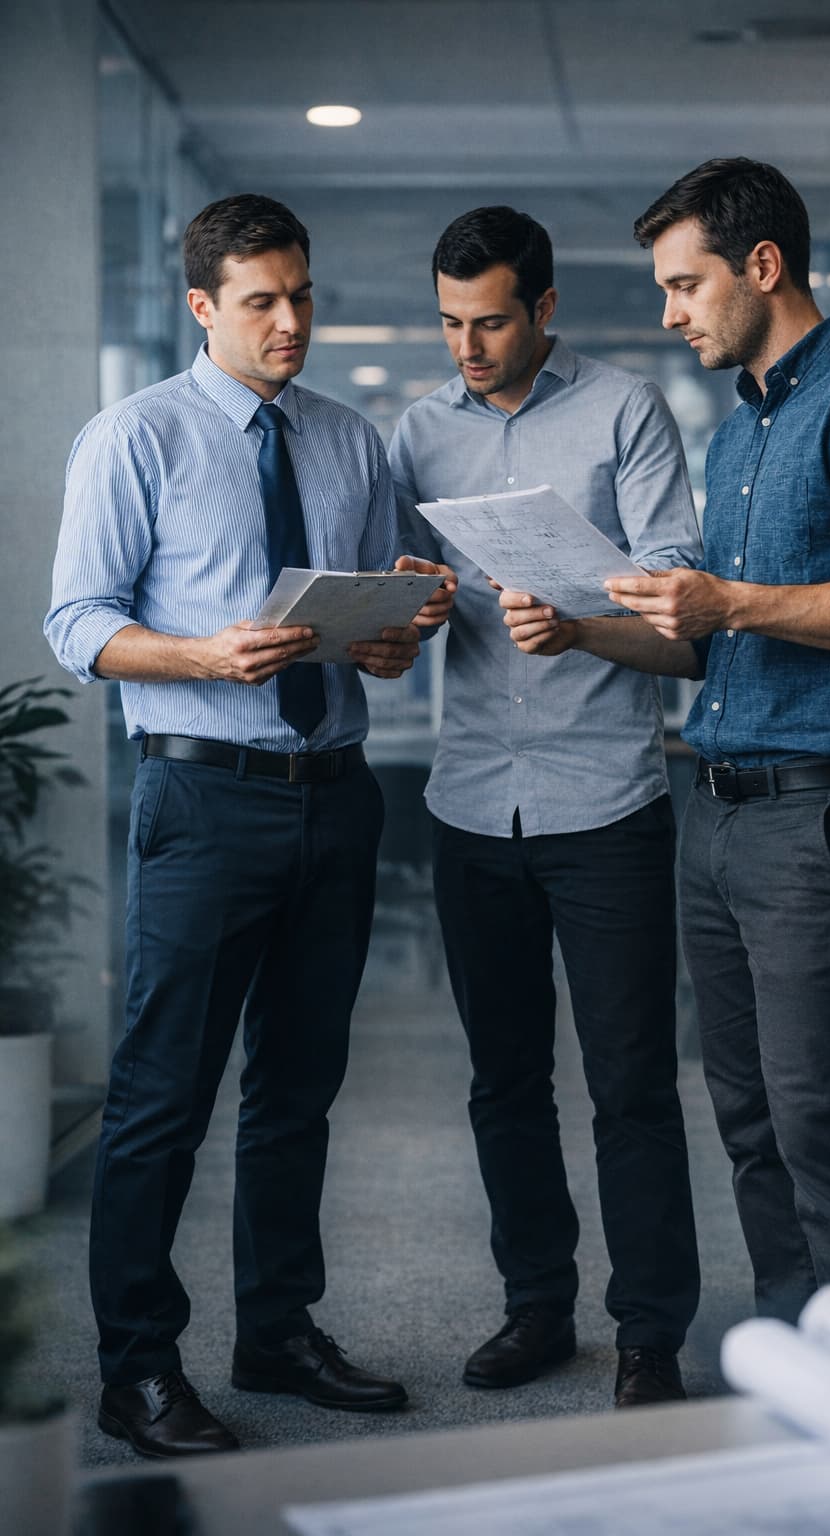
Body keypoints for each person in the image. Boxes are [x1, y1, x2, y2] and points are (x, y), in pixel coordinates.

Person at [503, 158, 830, 1324]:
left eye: (684, 284)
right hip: (716, 811)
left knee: (821, 1112)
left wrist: (733, 603)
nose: (670, 313)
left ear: (762, 266)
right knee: (751, 1115)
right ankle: (802, 1350)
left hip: (820, 815)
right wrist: (580, 631)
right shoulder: (741, 432)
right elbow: (713, 645)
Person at [45, 193, 453, 1458]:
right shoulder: (136, 438)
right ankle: (137, 1368)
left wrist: (398, 632)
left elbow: (381, 616)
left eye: (303, 295)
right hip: (202, 797)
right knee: (163, 1095)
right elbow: (76, 627)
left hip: (336, 793)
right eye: (263, 301)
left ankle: (278, 1329)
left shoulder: (348, 440)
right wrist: (200, 654)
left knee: (296, 1091)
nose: (291, 322)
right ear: (204, 307)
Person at [389, 205, 703, 1408]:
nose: (468, 347)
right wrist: (409, 604)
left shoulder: (623, 412)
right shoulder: (417, 434)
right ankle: (536, 1306)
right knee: (502, 1079)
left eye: (491, 322)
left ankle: (648, 1335)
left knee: (629, 1082)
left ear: (545, 310)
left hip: (605, 804)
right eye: (451, 325)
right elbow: (391, 620)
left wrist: (581, 626)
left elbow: (683, 630)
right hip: (470, 802)